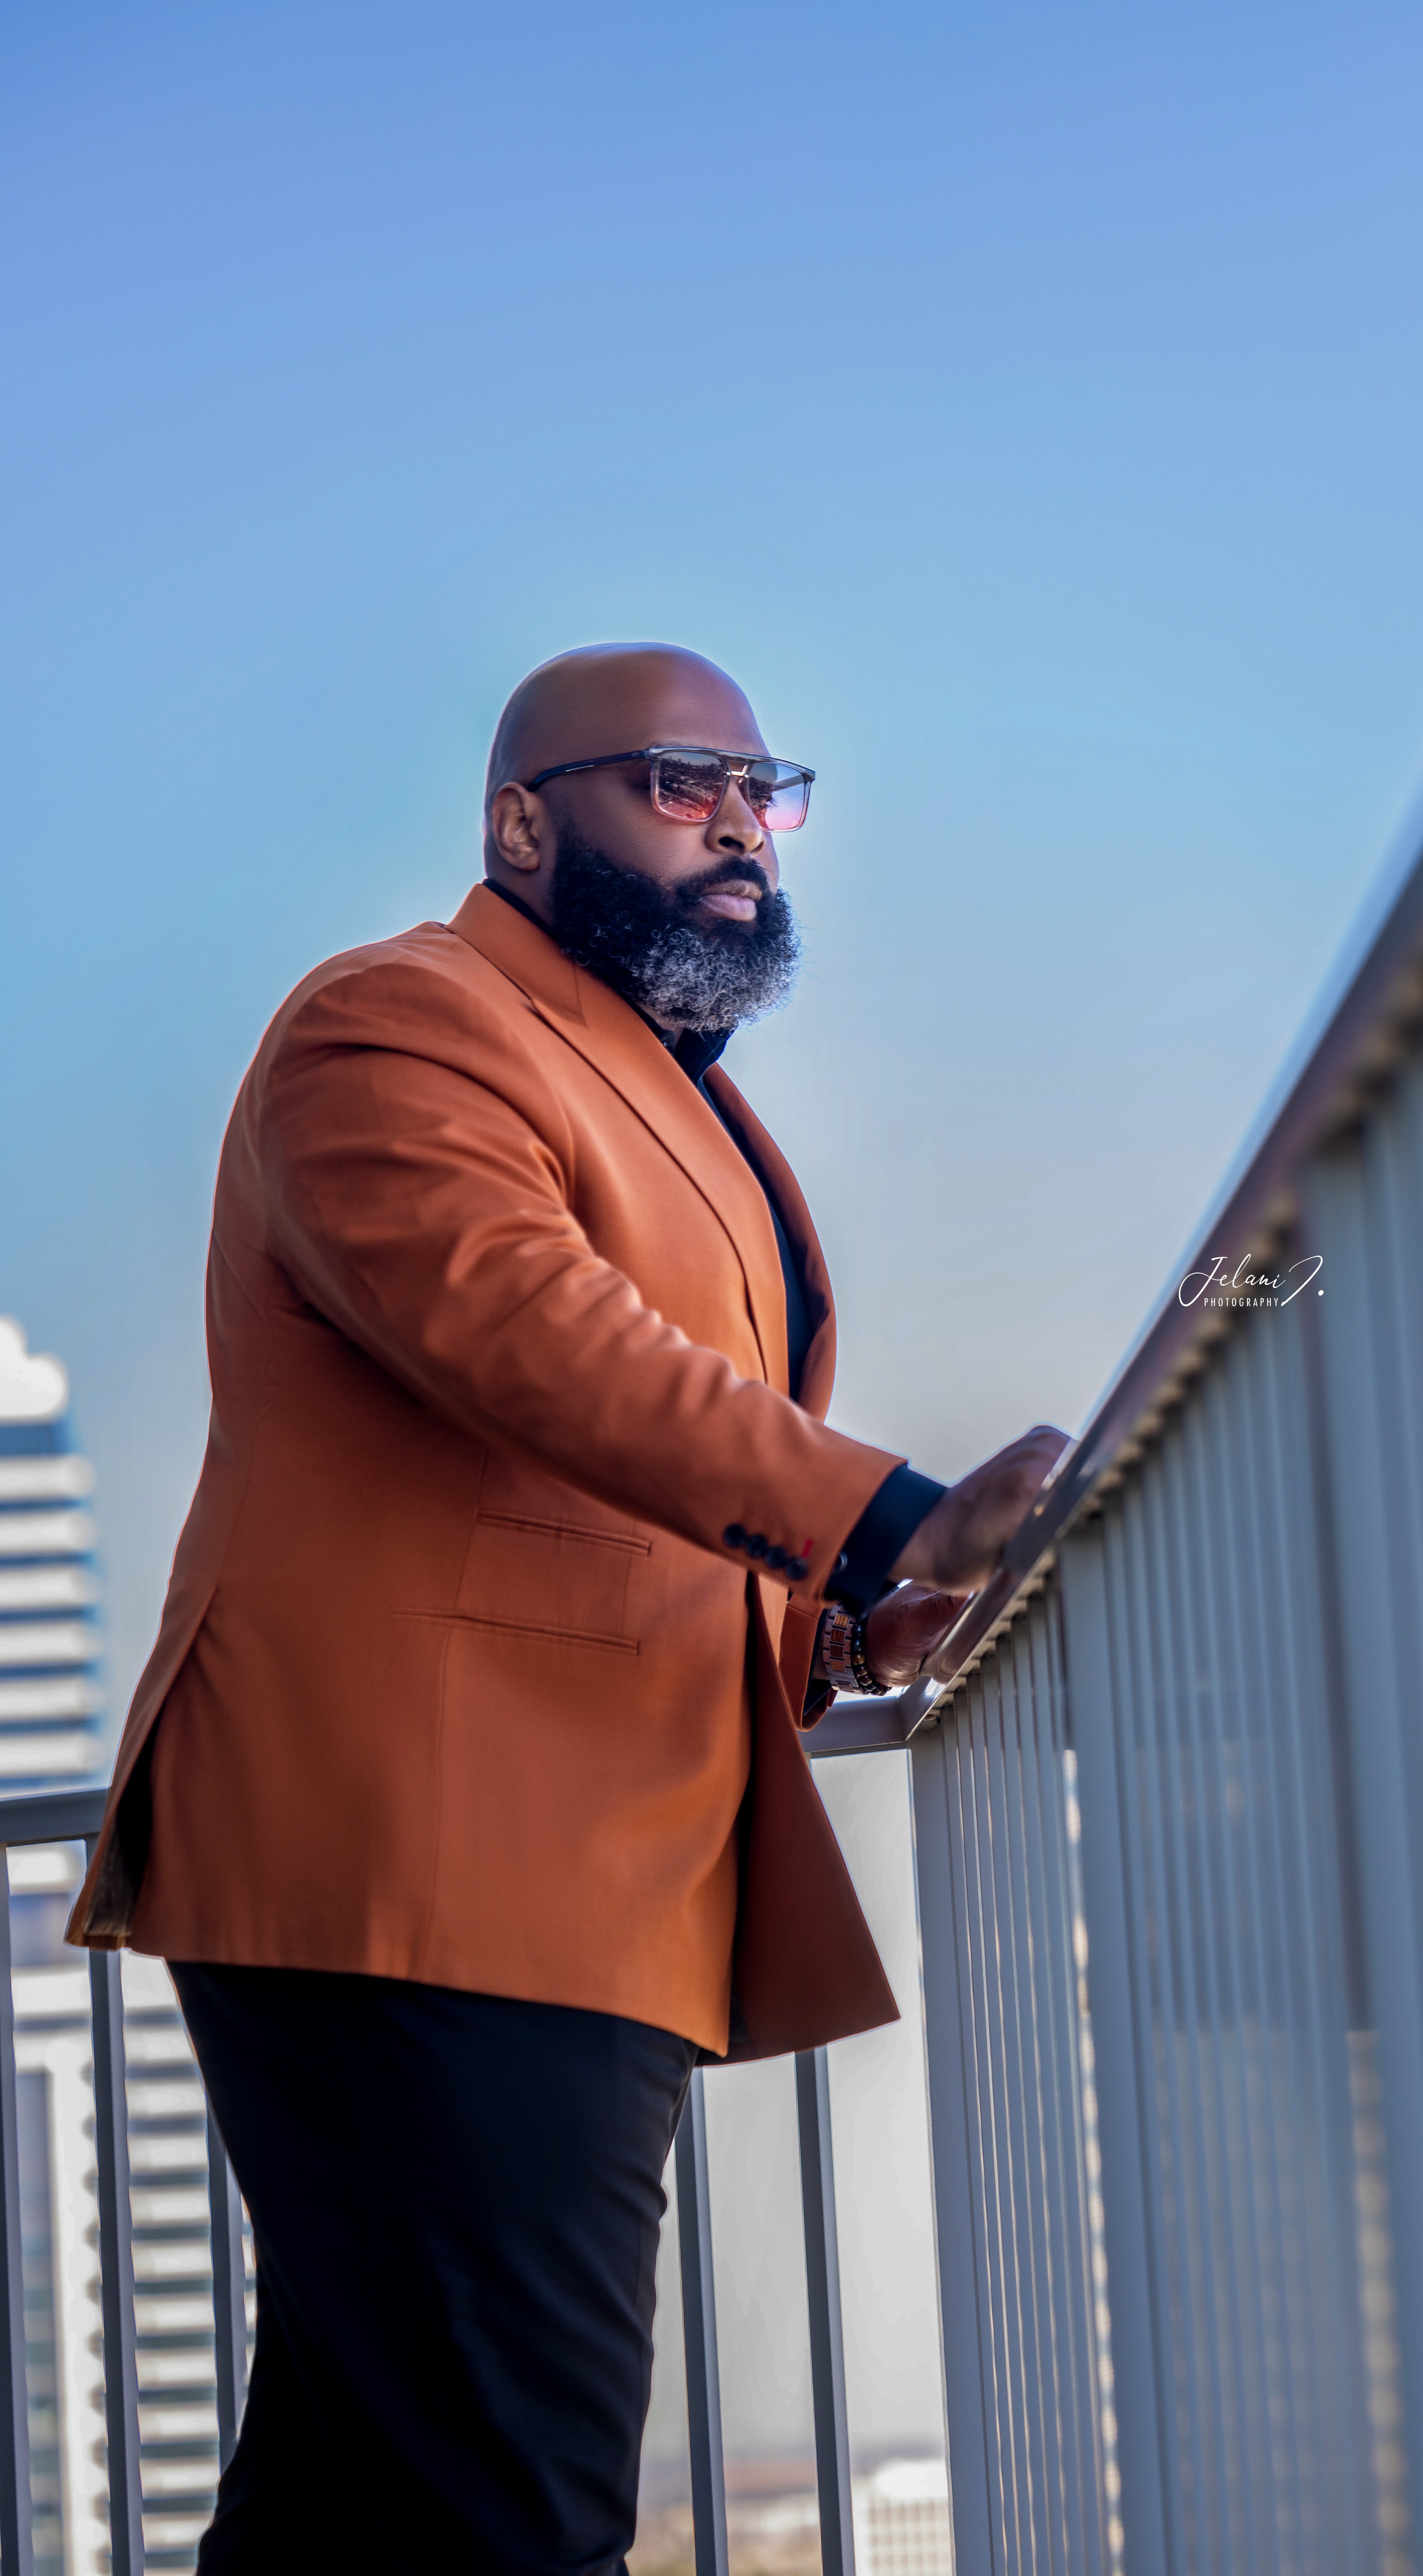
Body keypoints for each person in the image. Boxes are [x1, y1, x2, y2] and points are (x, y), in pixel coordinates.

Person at [69, 642, 1066, 2573]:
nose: (743, 833)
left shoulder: (654, 1089)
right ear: (524, 822)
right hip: (429, 1852)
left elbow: (625, 1498)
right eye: (681, 785)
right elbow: (537, 1342)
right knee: (504, 2507)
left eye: (766, 794)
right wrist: (892, 1520)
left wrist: (852, 1639)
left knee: (371, 2509)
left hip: (570, 1861)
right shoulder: (395, 1025)